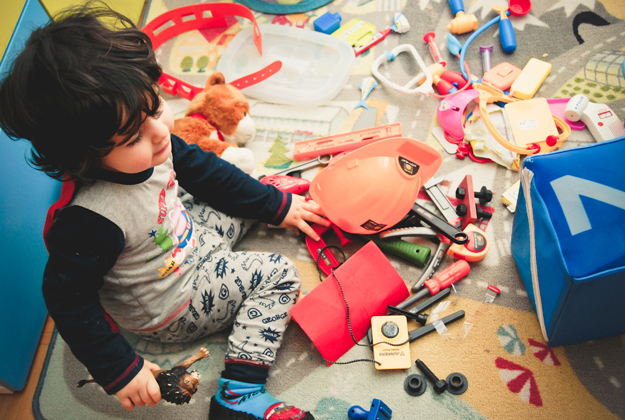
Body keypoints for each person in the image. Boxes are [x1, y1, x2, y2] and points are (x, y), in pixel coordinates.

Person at [0, 5, 328, 420]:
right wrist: (119, 370)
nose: (159, 132)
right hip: (172, 303)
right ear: (84, 156)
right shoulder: (90, 222)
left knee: (248, 196)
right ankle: (239, 394)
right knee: (279, 273)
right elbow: (67, 299)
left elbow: (209, 175)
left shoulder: (154, 143)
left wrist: (277, 206)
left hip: (182, 236)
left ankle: (272, 203)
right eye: (133, 135)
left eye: (154, 106)